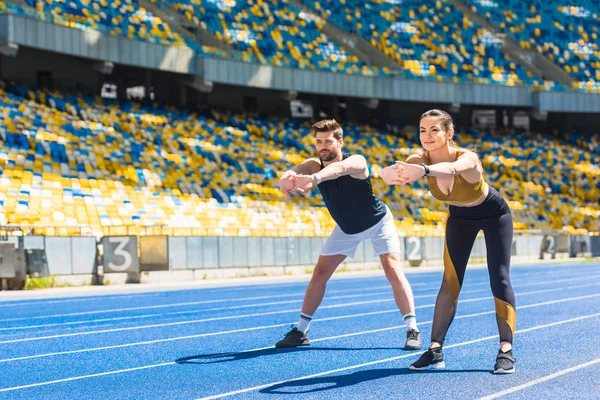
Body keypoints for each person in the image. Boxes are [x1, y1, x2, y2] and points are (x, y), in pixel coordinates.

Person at [380, 109, 516, 374]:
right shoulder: (418, 159)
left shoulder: (467, 157)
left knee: (499, 277)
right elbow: (391, 174)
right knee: (449, 281)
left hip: (494, 214)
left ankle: (506, 350)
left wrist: (423, 170)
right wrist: (392, 173)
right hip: (459, 217)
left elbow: (452, 170)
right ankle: (435, 350)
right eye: (422, 130)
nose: (427, 136)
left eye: (434, 130)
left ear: (449, 133)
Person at [276, 119, 421, 350]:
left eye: (327, 141)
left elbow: (339, 169)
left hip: (378, 221)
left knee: (392, 269)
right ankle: (301, 331)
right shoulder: (314, 164)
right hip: (346, 228)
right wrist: (286, 179)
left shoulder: (357, 161)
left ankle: (412, 329)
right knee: (320, 272)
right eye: (318, 142)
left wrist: (314, 179)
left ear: (340, 141)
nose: (322, 146)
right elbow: (294, 171)